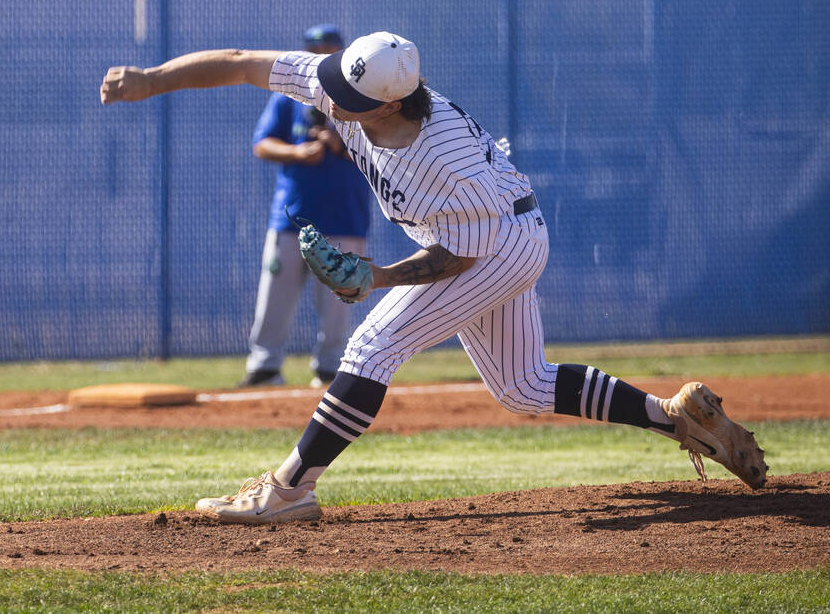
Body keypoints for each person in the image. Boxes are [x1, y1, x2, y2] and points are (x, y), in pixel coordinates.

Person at [100, 32, 768, 524]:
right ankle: (677, 418)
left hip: (495, 243)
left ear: (388, 106)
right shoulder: (351, 84)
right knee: (521, 384)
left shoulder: (444, 159)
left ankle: (289, 489)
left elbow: (456, 259)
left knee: (370, 347)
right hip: (488, 232)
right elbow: (245, 65)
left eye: (347, 97)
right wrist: (151, 80)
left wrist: (377, 276)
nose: (328, 97)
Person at [240, 24, 372, 389]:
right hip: (292, 216)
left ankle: (331, 368)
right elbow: (262, 144)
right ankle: (265, 365)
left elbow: (382, 152)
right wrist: (299, 151)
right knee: (275, 295)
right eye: (315, 49)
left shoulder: (362, 98)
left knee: (339, 299)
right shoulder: (288, 97)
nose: (320, 55)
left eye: (329, 49)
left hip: (345, 217)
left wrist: (339, 145)